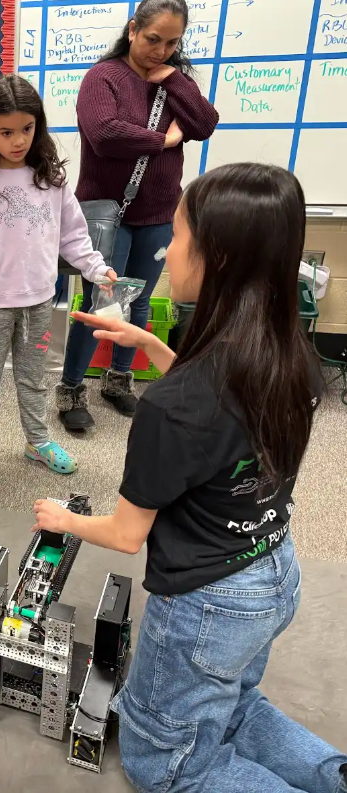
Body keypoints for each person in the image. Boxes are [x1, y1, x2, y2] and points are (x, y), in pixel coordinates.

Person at [33, 163, 347, 793]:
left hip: (209, 604)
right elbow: (222, 413)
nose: (165, 252)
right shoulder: (290, 355)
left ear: (218, 255)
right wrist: (148, 345)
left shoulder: (171, 408)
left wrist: (63, 520)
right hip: (273, 571)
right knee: (234, 707)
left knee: (164, 766)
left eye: (177, 236)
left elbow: (126, 535)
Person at [56, 0, 219, 431]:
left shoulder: (173, 81)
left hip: (159, 214)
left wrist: (176, 81)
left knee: (140, 301)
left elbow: (204, 124)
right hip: (107, 213)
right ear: (132, 30)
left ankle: (118, 380)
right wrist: (163, 142)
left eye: (172, 43)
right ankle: (71, 388)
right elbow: (104, 133)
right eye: (152, 39)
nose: (160, 51)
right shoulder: (103, 77)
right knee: (101, 302)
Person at [0, 74, 115, 489]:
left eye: (27, 128)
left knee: (34, 379)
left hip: (40, 303)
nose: (18, 140)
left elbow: (73, 236)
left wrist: (96, 268)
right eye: (6, 132)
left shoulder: (51, 181)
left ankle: (37, 442)